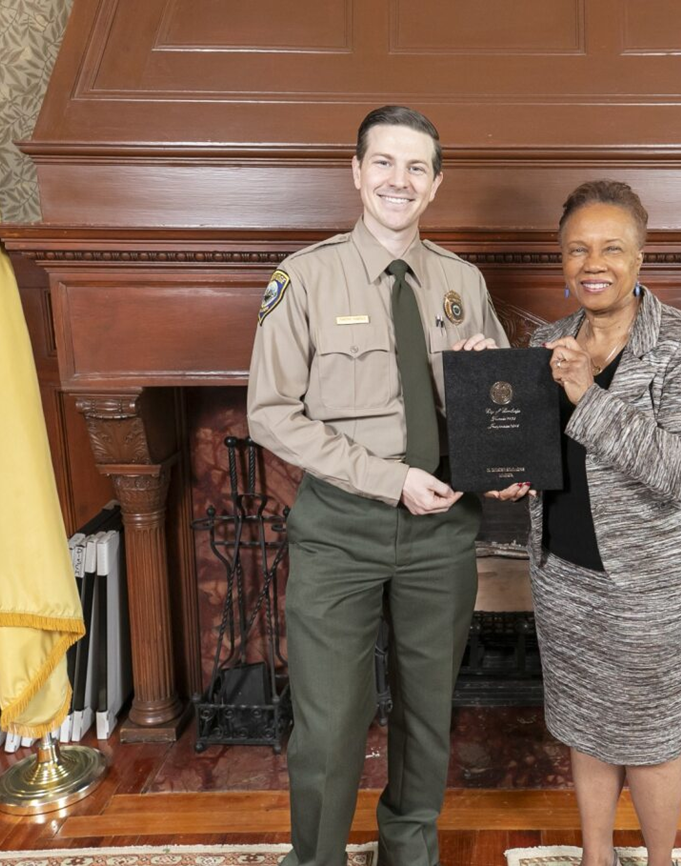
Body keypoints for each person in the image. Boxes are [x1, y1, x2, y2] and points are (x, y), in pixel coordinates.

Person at [247, 105, 509, 866]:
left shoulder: (462, 281)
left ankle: (409, 853)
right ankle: (318, 858)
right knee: (329, 723)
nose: (400, 180)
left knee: (428, 714)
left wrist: (497, 423)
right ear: (357, 173)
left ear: (434, 186)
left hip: (441, 534)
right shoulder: (304, 277)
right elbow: (270, 415)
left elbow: (493, 402)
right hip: (339, 529)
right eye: (385, 164)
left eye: (417, 167)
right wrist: (387, 480)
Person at [491, 180, 681, 866]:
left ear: (640, 257)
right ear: (562, 261)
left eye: (611, 248)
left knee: (653, 736)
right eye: (577, 249)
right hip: (566, 571)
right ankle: (596, 859)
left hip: (657, 581)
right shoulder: (546, 339)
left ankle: (658, 863)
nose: (593, 263)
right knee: (587, 728)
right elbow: (550, 453)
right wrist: (520, 474)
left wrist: (584, 395)